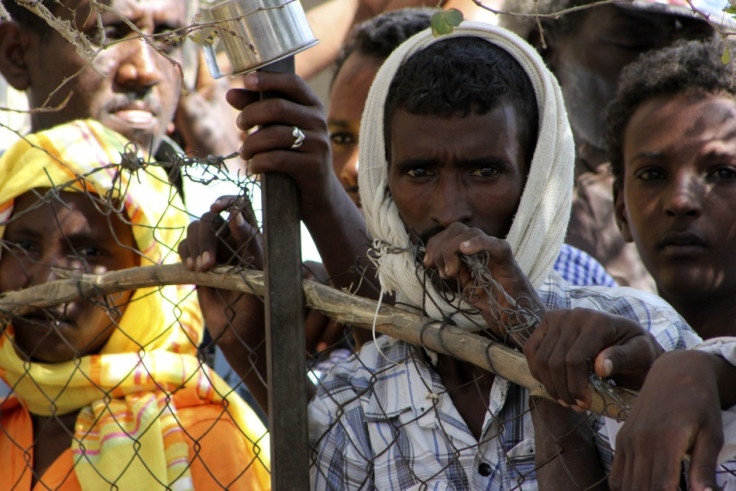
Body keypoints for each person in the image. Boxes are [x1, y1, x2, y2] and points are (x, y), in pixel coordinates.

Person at [179, 23, 699, 489]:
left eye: (485, 171)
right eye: (420, 172)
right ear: (384, 183)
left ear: (537, 175)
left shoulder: (637, 335)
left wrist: (530, 331)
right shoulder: (357, 401)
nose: (450, 210)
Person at [0, 119, 270, 489]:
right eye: (24, 245)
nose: (48, 282)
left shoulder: (200, 436)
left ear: (145, 275)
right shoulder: (7, 423)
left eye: (90, 251)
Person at [499, 0, 732, 291]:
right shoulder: (504, 206)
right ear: (544, 47)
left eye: (694, 47)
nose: (669, 68)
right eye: (636, 43)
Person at [601, 39, 736, 489]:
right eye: (652, 175)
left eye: (722, 173)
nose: (680, 201)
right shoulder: (599, 371)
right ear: (621, 210)